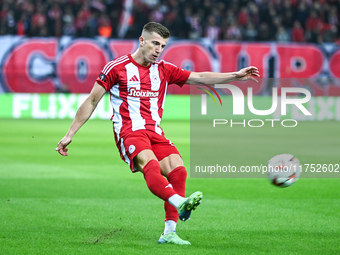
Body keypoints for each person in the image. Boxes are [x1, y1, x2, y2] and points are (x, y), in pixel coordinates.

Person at [56, 21, 259, 245]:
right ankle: (178, 201)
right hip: (129, 131)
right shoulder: (116, 67)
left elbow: (199, 77)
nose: (158, 50)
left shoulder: (163, 69)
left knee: (178, 171)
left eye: (162, 46)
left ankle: (169, 232)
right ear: (141, 41)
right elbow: (92, 100)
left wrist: (236, 76)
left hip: (155, 131)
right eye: (155, 44)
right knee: (150, 166)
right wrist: (70, 133)